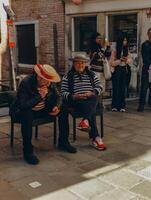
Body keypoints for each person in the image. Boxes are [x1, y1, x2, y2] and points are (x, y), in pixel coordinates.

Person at [10, 64, 62, 165]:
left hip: (41, 110)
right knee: (27, 114)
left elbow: (59, 96)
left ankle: (64, 142)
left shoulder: (49, 82)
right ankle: (28, 151)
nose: (48, 83)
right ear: (39, 77)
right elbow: (23, 105)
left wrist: (57, 107)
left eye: (49, 80)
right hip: (22, 112)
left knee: (63, 108)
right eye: (45, 80)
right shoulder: (26, 83)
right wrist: (40, 96)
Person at [58, 54, 106, 151]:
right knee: (90, 108)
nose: (80, 65)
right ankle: (95, 137)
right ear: (74, 64)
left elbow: (100, 87)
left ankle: (85, 121)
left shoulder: (92, 75)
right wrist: (73, 96)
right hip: (76, 102)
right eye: (78, 63)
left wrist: (92, 92)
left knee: (94, 97)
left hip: (89, 100)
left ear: (85, 64)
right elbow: (63, 92)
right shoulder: (68, 76)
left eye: (82, 63)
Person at [110, 33, 132, 112]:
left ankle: (122, 105)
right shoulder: (115, 50)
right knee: (116, 88)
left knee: (123, 88)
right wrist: (120, 60)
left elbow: (130, 60)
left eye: (126, 40)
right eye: (123, 40)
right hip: (117, 70)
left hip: (124, 69)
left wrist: (126, 60)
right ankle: (114, 105)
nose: (125, 42)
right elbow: (111, 62)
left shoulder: (127, 49)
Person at [137, 28, 151, 112]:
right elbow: (144, 56)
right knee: (144, 87)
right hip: (146, 68)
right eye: (150, 33)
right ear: (148, 34)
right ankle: (141, 105)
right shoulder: (145, 44)